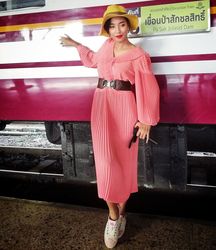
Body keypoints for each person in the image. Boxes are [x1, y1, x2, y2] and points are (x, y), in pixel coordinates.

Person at [60, 4, 160, 249]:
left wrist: (146, 119)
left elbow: (148, 86)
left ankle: (122, 211)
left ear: (128, 26)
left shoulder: (139, 54)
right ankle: (113, 216)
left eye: (122, 24)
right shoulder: (105, 47)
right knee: (105, 163)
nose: (118, 29)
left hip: (125, 108)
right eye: (112, 25)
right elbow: (93, 61)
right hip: (101, 106)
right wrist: (77, 45)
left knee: (124, 163)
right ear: (107, 28)